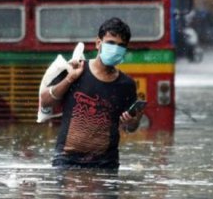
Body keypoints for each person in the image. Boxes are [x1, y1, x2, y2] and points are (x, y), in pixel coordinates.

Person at [40, 17, 143, 169]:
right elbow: (46, 101)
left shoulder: (126, 84)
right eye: (110, 43)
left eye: (121, 45)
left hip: (106, 164)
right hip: (67, 161)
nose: (115, 49)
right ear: (98, 43)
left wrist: (133, 121)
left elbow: (130, 128)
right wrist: (69, 78)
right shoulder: (76, 69)